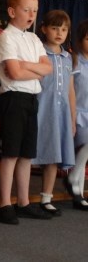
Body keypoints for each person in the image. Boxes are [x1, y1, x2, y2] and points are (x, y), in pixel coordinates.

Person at [0, 0, 53, 224]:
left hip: (31, 99)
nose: (31, 15)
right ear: (12, 11)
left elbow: (48, 69)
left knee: (26, 154)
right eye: (26, 10)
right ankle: (4, 204)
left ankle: (24, 202)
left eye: (35, 11)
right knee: (11, 153)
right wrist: (33, 69)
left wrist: (26, 65)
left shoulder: (34, 38)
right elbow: (14, 73)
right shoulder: (5, 37)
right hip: (13, 99)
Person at [32, 10, 76, 216]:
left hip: (60, 113)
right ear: (44, 29)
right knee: (29, 153)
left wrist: (72, 119)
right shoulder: (38, 53)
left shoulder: (68, 58)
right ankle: (20, 198)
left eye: (64, 29)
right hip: (41, 109)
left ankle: (46, 198)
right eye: (55, 28)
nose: (59, 33)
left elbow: (70, 90)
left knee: (53, 155)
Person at [65, 19, 88, 210]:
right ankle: (73, 179)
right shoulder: (75, 60)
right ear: (80, 40)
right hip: (78, 112)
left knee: (84, 154)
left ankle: (78, 193)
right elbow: (70, 89)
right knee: (85, 147)